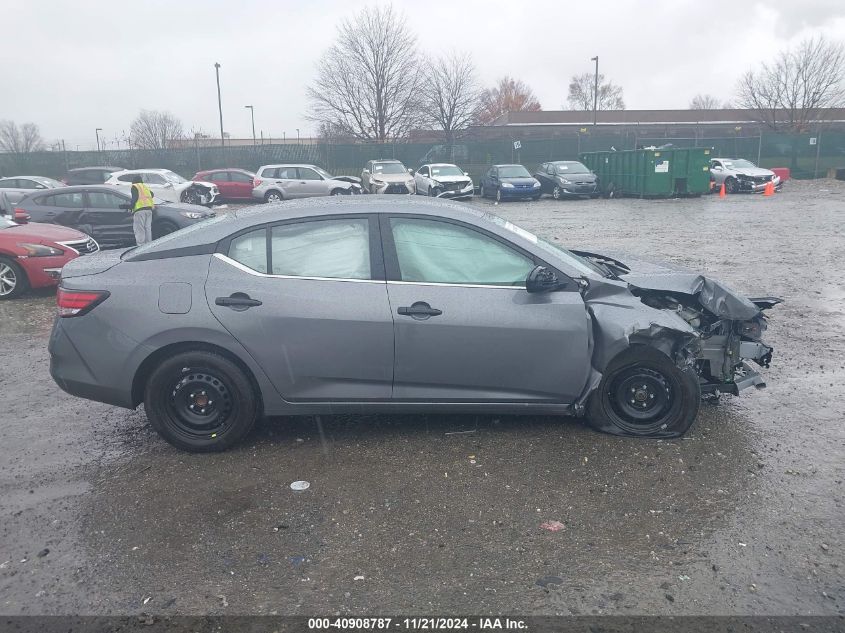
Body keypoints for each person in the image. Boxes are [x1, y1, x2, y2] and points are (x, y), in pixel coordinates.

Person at [126, 175, 155, 245]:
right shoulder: (144, 186)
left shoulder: (134, 186)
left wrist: (130, 207)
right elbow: (152, 194)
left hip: (140, 211)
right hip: (149, 210)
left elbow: (135, 198)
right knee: (147, 228)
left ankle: (140, 246)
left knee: (139, 229)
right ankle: (149, 245)